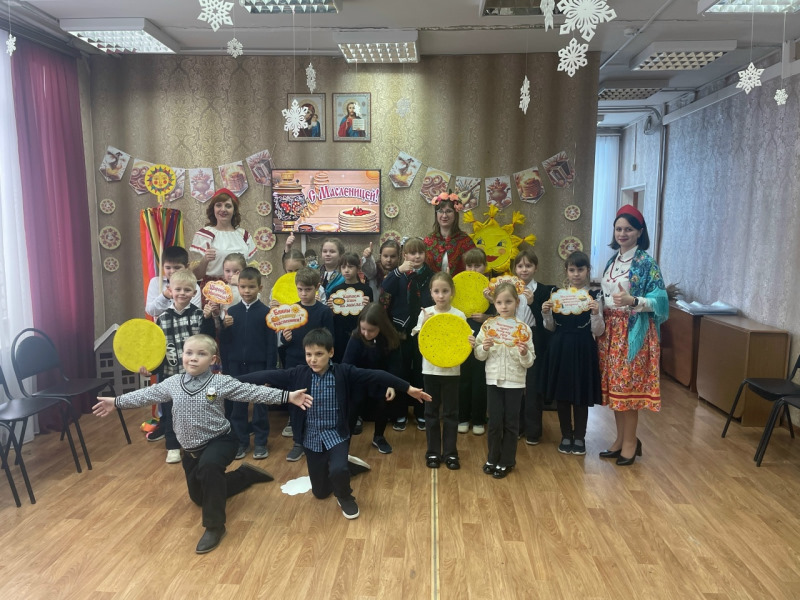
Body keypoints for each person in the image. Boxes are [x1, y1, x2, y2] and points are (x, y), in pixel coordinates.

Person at [94, 334, 312, 554]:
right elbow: (146, 395)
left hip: (221, 441)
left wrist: (288, 396)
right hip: (190, 450)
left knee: (209, 467)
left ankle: (215, 527)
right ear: (182, 355)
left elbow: (253, 391)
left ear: (213, 359)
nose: (193, 358)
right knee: (200, 496)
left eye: (201, 354)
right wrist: (116, 402)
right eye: (189, 353)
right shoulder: (173, 383)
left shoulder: (220, 382)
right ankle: (244, 475)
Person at [240, 328, 431, 519]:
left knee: (338, 470)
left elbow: (376, 375)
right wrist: (232, 381)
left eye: (319, 354)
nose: (313, 359)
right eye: (309, 354)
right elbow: (267, 375)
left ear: (330, 352)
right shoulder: (298, 374)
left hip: (336, 434)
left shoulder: (343, 372)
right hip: (311, 437)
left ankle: (345, 495)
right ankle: (349, 468)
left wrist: (408, 388)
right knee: (320, 492)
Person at [597, 205, 668, 466]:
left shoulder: (646, 263)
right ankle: (620, 440)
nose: (622, 233)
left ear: (639, 232)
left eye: (628, 229)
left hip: (633, 332)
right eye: (618, 229)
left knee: (628, 390)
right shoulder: (612, 261)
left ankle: (630, 443)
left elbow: (661, 302)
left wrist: (633, 300)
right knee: (616, 390)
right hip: (610, 333)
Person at [143, 269, 216, 463]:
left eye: (187, 290)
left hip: (196, 376)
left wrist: (208, 319)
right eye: (178, 289)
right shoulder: (162, 319)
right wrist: (151, 369)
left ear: (194, 292)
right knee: (170, 411)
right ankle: (173, 446)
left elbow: (208, 341)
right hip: (170, 375)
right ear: (170, 290)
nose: (182, 293)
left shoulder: (200, 315)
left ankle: (200, 443)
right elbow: (158, 351)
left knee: (198, 409)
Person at [541, 252, 604, 456]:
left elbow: (598, 331)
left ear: (588, 271)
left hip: (584, 347)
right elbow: (550, 327)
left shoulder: (594, 296)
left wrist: (596, 313)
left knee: (581, 394)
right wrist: (546, 313)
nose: (576, 274)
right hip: (560, 347)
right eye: (572, 270)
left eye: (580, 269)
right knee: (562, 394)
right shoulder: (557, 295)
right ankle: (566, 435)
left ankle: (580, 437)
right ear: (566, 271)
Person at [412, 272, 475, 470]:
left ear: (452, 292)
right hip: (430, 370)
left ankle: (450, 453)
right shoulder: (426, 313)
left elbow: (464, 341)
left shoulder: (459, 315)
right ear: (431, 293)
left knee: (451, 413)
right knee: (431, 412)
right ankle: (432, 452)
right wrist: (424, 324)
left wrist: (471, 341)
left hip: (452, 372)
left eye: (445, 291)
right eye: (437, 291)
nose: (441, 295)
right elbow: (420, 341)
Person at [474, 282, 535, 478]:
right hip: (493, 381)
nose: (504, 306)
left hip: (515, 383)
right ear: (494, 303)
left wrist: (524, 353)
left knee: (511, 423)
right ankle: (492, 458)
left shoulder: (523, 329)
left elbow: (530, 361)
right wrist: (484, 347)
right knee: (494, 422)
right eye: (499, 302)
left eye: (508, 302)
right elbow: (478, 355)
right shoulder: (488, 326)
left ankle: (507, 460)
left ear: (517, 302)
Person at [219, 267, 277, 460]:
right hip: (236, 366)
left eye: (251, 287)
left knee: (260, 406)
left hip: (259, 367)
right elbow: (225, 344)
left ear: (260, 288)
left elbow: (271, 345)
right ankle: (241, 442)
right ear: (238, 287)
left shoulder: (267, 313)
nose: (246, 291)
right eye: (243, 287)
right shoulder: (231, 312)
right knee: (238, 407)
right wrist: (225, 328)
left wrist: (270, 373)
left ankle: (260, 443)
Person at [278, 267, 334, 462]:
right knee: (296, 405)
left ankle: (320, 439)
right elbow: (283, 342)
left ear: (317, 287)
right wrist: (284, 338)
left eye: (308, 289)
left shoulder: (324, 311)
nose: (303, 293)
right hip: (294, 363)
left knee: (318, 403)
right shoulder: (291, 311)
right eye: (300, 289)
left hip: (317, 365)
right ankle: (298, 442)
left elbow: (329, 340)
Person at [381, 237, 433, 432]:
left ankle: (421, 412)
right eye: (412, 253)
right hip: (400, 329)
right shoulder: (398, 274)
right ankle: (400, 413)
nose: (417, 256)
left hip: (423, 329)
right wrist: (398, 271)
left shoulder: (430, 275)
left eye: (420, 252)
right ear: (405, 255)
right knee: (400, 370)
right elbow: (386, 288)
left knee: (421, 371)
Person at [342, 303, 403, 454]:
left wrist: (391, 385)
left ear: (381, 327)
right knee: (352, 406)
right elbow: (346, 365)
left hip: (381, 379)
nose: (366, 333)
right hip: (359, 379)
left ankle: (379, 437)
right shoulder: (356, 337)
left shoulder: (391, 338)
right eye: (363, 329)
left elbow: (395, 365)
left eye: (371, 330)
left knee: (384, 403)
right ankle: (344, 442)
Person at [513, 248, 556, 446]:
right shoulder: (510, 289)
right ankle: (517, 427)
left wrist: (532, 303)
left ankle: (533, 430)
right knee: (515, 385)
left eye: (528, 266)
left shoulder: (544, 291)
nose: (524, 270)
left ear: (535, 268)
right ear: (515, 269)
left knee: (533, 386)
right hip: (513, 339)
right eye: (520, 266)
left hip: (535, 340)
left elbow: (547, 324)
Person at [458, 248, 494, 436]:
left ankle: (479, 419)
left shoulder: (493, 288)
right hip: (463, 336)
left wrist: (487, 316)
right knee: (463, 378)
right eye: (469, 265)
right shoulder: (458, 286)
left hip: (484, 339)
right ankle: (463, 417)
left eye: (477, 265)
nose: (473, 269)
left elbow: (504, 313)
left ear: (485, 266)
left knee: (480, 379)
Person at [190, 188, 255, 289]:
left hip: (240, 289)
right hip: (213, 290)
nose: (223, 209)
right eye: (218, 205)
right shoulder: (204, 235)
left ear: (234, 210)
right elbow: (196, 276)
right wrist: (205, 260)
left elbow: (251, 272)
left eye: (228, 206)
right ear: (213, 209)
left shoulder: (244, 235)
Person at [327, 252, 373, 367]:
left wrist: (368, 306)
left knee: (360, 362)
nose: (346, 270)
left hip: (359, 332)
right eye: (343, 267)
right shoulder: (335, 291)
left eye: (350, 267)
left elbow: (371, 315)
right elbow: (332, 316)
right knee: (342, 363)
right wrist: (330, 309)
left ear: (358, 268)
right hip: (340, 334)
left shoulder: (366, 290)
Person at [424, 192, 476, 275]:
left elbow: (475, 269)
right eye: (441, 211)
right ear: (436, 214)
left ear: (455, 214)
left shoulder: (466, 241)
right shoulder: (428, 241)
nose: (444, 215)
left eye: (448, 211)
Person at [145, 245, 201, 318]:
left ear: (186, 267)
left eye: (177, 268)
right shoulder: (155, 282)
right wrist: (164, 296)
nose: (172, 271)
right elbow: (150, 311)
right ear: (162, 267)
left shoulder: (193, 286)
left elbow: (195, 313)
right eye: (168, 268)